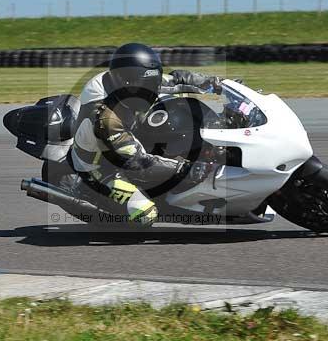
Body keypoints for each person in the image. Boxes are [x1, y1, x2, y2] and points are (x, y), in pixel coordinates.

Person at [69, 43, 222, 226]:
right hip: (100, 168)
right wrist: (186, 169)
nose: (153, 91)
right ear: (128, 85)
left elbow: (175, 80)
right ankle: (104, 203)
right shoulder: (107, 119)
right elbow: (138, 162)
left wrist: (216, 83)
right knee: (145, 213)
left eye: (152, 84)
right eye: (147, 87)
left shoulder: (129, 81)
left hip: (127, 136)